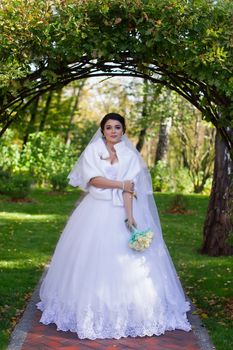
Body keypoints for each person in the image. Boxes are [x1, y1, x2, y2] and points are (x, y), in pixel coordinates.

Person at [37, 113, 191, 339]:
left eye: (117, 127)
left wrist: (129, 217)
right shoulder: (93, 152)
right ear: (102, 131)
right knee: (90, 257)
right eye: (108, 127)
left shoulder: (130, 156)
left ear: (123, 131)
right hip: (95, 210)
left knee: (128, 257)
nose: (113, 131)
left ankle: (133, 311)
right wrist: (120, 184)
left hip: (120, 209)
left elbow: (130, 189)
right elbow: (93, 180)